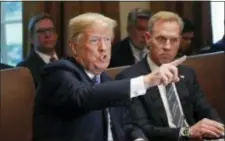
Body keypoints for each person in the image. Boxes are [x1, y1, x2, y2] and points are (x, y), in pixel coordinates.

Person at [33, 12, 187, 141]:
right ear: (74, 47)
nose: (103, 48)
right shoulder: (57, 73)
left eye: (107, 40)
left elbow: (126, 124)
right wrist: (147, 80)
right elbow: (84, 96)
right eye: (94, 41)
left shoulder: (105, 79)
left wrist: (138, 139)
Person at [116, 11, 224, 141]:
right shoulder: (130, 78)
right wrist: (187, 132)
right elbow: (143, 128)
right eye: (161, 39)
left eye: (174, 40)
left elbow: (205, 108)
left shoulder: (187, 73)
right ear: (148, 38)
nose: (167, 47)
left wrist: (219, 130)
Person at [17, 13, 58, 87]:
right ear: (31, 39)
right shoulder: (24, 69)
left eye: (50, 30)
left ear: (56, 35)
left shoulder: (68, 62)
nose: (47, 35)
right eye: (41, 31)